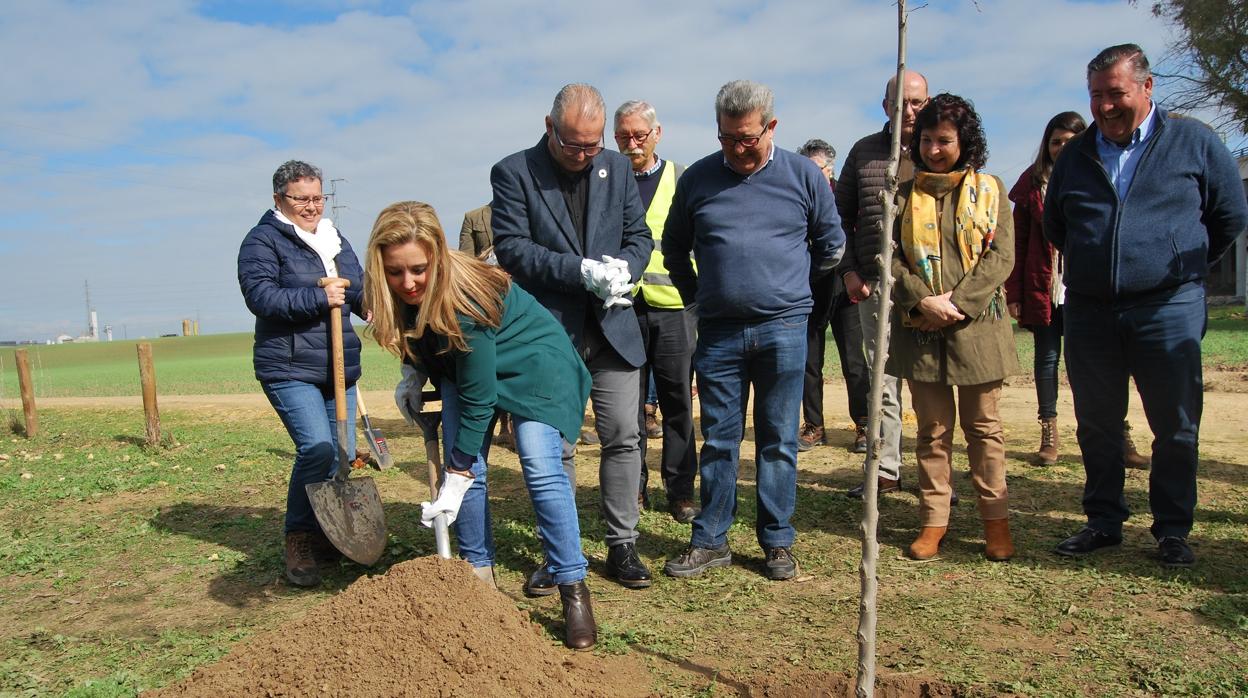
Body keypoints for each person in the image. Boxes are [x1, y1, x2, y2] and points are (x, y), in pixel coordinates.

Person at [1046, 44, 1248, 567]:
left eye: (1115, 93)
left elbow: (1228, 215)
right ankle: (1103, 520)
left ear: (1147, 86)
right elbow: (1057, 225)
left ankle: (1173, 529)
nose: (1105, 107)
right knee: (1097, 423)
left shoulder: (1194, 141)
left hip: (1168, 306)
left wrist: (1182, 264)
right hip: (1091, 310)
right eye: (1096, 96)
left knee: (1175, 425)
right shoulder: (1076, 154)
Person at [372, 201, 597, 649]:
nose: (408, 282)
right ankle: (478, 580)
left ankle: (573, 589)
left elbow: (479, 400)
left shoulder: (467, 299)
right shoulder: (391, 291)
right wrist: (412, 371)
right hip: (465, 364)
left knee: (539, 465)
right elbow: (420, 333)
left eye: (418, 269)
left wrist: (455, 475)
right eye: (395, 272)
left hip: (534, 363)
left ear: (437, 257)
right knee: (466, 465)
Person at [661, 80, 844, 581]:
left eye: (748, 138)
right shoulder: (698, 179)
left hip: (784, 328)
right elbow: (674, 248)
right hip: (718, 332)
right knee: (719, 438)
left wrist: (790, 290)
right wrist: (699, 296)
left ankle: (777, 541)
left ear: (771, 126)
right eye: (727, 138)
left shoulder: (804, 176)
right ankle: (711, 539)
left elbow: (831, 246)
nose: (738, 149)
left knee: (778, 438)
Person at [491, 83, 655, 591]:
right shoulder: (514, 173)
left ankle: (622, 544)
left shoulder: (617, 169)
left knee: (623, 437)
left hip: (613, 329)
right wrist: (579, 271)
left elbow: (639, 236)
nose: (584, 155)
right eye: (573, 145)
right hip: (547, 333)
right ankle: (561, 552)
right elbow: (513, 248)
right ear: (549, 127)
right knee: (554, 446)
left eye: (592, 144)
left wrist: (624, 269)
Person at [889, 94, 1019, 562]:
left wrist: (957, 304)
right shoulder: (902, 195)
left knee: (984, 430)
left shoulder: (991, 189)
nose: (934, 150)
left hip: (978, 330)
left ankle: (995, 523)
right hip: (920, 327)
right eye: (926, 140)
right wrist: (923, 299)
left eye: (944, 140)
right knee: (932, 432)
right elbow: (890, 258)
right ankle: (933, 522)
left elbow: (1001, 256)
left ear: (964, 142)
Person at [237, 160, 364, 588]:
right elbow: (261, 296)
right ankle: (300, 536)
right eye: (301, 199)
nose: (312, 207)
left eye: (317, 198)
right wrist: (319, 297)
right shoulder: (262, 241)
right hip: (288, 366)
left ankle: (329, 529)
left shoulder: (333, 237)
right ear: (279, 199)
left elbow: (357, 287)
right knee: (317, 448)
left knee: (343, 452)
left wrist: (377, 310)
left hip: (338, 366)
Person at [836, 71, 930, 498]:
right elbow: (838, 218)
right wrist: (849, 272)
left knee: (930, 385)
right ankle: (885, 469)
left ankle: (934, 474)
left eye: (917, 102)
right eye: (900, 102)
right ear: (885, 106)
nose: (908, 111)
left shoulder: (940, 149)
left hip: (930, 290)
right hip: (874, 286)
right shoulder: (863, 151)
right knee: (883, 382)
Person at [613, 99, 699, 524]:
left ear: (657, 134)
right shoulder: (607, 181)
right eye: (623, 136)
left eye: (639, 135)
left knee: (676, 402)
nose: (632, 144)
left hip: (674, 309)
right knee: (628, 406)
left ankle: (680, 491)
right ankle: (634, 488)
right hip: (623, 309)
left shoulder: (682, 178)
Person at [796, 138, 869, 455]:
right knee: (808, 362)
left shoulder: (846, 197)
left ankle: (864, 424)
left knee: (854, 361)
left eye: (818, 169)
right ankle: (814, 426)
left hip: (846, 288)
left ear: (831, 169)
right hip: (809, 290)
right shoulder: (797, 198)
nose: (813, 175)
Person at [456, 202, 514, 448]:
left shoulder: (524, 211)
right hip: (486, 297)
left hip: (519, 296)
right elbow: (465, 259)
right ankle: (499, 424)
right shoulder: (474, 217)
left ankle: (515, 425)